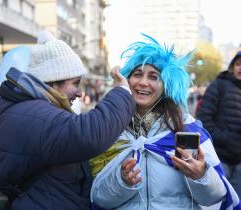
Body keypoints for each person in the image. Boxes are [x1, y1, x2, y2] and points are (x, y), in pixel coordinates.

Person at [0, 31, 135, 210]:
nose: (79, 93)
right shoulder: (34, 113)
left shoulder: (28, 107)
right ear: (53, 81)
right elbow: (88, 135)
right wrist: (123, 92)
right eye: (75, 83)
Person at [91, 34, 240, 210]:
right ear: (127, 81)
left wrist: (201, 175)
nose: (143, 82)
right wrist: (121, 181)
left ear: (166, 86)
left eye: (154, 77)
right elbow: (98, 199)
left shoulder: (187, 129)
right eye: (137, 74)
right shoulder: (109, 130)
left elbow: (214, 198)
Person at [197, 50, 241, 198]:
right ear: (232, 67)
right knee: (219, 199)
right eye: (238, 64)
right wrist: (225, 139)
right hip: (220, 156)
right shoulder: (219, 85)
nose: (240, 68)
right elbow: (203, 118)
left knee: (237, 201)